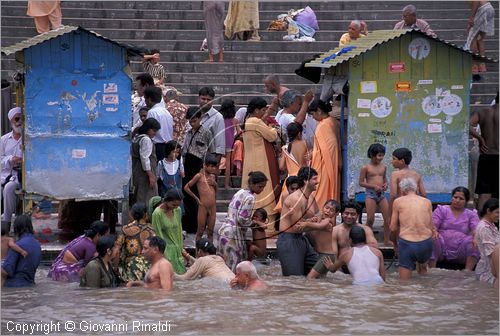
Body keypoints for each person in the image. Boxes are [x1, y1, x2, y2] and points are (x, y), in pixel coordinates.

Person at [278, 167, 331, 276]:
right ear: (306, 181)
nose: (318, 181)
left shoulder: (307, 197)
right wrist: (321, 226)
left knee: (319, 271)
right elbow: (298, 226)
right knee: (294, 280)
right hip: (289, 240)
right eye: (315, 179)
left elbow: (313, 216)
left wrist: (311, 221)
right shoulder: (296, 199)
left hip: (301, 239)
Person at [241, 97, 280, 233]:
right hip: (261, 160)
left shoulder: (247, 121)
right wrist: (273, 128)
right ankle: (267, 226)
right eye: (263, 110)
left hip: (250, 161)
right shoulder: (256, 122)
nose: (264, 113)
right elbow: (272, 136)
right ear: (256, 110)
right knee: (265, 189)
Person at [218, 171, 267, 272]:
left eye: (263, 187)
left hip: (224, 231)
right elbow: (242, 220)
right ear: (252, 184)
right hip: (233, 235)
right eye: (260, 187)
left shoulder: (240, 192)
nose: (262, 190)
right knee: (234, 269)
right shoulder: (250, 198)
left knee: (224, 268)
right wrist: (256, 223)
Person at [390, 178, 437, 280]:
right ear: (416, 189)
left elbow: (393, 228)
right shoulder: (427, 202)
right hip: (426, 242)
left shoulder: (398, 201)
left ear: (402, 190)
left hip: (407, 243)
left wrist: (394, 244)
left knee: (404, 284)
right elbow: (431, 227)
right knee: (424, 278)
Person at [182, 105, 216, 233]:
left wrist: (207, 170)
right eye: (190, 121)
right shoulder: (188, 132)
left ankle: (199, 224)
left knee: (199, 194)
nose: (192, 123)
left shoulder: (206, 132)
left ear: (200, 118)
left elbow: (211, 151)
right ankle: (188, 224)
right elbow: (185, 149)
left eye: (194, 121)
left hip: (199, 165)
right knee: (187, 194)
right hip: (187, 164)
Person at [429, 187, 480, 271]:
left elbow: (476, 228)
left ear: (466, 201)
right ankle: (432, 269)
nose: (457, 200)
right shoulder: (442, 210)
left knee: (475, 241)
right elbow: (433, 224)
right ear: (452, 198)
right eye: (455, 197)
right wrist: (434, 231)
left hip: (461, 249)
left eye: (461, 198)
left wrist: (475, 237)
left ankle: (467, 271)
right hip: (442, 247)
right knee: (432, 237)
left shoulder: (471, 214)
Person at [112, 203, 156, 282]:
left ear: (132, 214)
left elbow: (117, 251)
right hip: (149, 265)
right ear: (145, 214)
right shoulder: (152, 230)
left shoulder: (125, 229)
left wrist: (115, 268)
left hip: (132, 266)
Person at [469, 93, 498, 211]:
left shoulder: (482, 111)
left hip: (486, 156)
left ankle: (482, 223)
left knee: (484, 193)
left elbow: (468, 125)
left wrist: (480, 138)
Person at [310, 99, 342, 204]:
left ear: (319, 111)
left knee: (320, 192)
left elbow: (327, 150)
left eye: (313, 114)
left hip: (324, 166)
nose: (313, 117)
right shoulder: (332, 121)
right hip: (332, 162)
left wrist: (312, 155)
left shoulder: (323, 125)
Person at [359, 143, 391, 245]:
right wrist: (373, 186)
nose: (381, 158)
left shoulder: (384, 167)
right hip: (370, 194)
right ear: (372, 155)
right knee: (370, 219)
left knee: (387, 219)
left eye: (382, 155)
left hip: (381, 194)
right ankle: (367, 239)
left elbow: (384, 178)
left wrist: (386, 184)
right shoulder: (366, 167)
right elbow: (361, 182)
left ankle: (387, 240)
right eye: (379, 155)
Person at [275, 122, 309, 213]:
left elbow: (281, 167)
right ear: (299, 133)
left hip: (290, 180)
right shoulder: (305, 144)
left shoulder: (285, 148)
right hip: (304, 177)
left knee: (287, 207)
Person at [184, 154, 218, 242]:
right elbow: (186, 187)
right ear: (205, 165)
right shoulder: (199, 176)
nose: (213, 169)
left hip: (213, 207)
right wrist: (196, 199)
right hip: (203, 206)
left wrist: (215, 184)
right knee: (200, 231)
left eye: (214, 167)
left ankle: (210, 252)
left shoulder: (213, 177)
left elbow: (216, 192)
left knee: (210, 232)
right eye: (211, 166)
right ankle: (197, 252)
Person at [152, 188, 186, 274]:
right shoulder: (157, 214)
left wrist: (181, 248)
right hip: (166, 250)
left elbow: (179, 229)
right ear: (166, 200)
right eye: (173, 205)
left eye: (177, 205)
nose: (175, 207)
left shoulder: (177, 210)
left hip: (177, 249)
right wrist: (163, 254)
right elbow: (158, 235)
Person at [1, 215, 41, 287]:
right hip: (30, 285)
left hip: (13, 286)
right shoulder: (37, 244)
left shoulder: (18, 245)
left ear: (16, 228)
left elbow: (7, 271)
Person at [306, 200, 341, 279]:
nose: (328, 211)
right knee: (321, 279)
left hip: (327, 256)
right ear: (323, 207)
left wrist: (309, 222)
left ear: (336, 213)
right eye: (326, 208)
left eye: (331, 210)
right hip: (320, 254)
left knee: (310, 277)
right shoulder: (319, 219)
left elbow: (319, 226)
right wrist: (312, 219)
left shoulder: (329, 223)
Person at [1, 107, 23, 227]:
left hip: (20, 177)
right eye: (17, 119)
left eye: (21, 118)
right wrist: (10, 159)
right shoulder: (4, 140)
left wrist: (22, 161)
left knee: (9, 188)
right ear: (11, 122)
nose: (20, 122)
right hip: (5, 175)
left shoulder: (28, 138)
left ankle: (7, 223)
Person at [131, 118, 160, 205]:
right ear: (148, 128)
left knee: (139, 194)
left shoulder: (137, 138)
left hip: (137, 170)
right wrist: (150, 175)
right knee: (146, 197)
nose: (155, 133)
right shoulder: (146, 140)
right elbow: (144, 158)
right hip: (145, 173)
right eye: (153, 130)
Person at [389, 147, 426, 212]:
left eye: (394, 159)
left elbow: (393, 195)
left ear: (402, 161)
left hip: (401, 207)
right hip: (414, 206)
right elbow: (423, 194)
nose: (392, 161)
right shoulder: (416, 175)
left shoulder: (395, 174)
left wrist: (390, 213)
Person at [144, 86, 174, 161]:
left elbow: (149, 131)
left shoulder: (152, 112)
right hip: (168, 145)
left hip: (158, 146)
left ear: (149, 99)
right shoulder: (166, 112)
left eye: (145, 99)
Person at [475, 198, 499, 288]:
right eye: (497, 212)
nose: (499, 215)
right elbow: (491, 253)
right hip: (488, 271)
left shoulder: (492, 225)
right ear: (488, 211)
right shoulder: (484, 228)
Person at [197, 87, 226, 160]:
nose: (206, 101)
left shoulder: (218, 118)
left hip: (208, 159)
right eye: (203, 99)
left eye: (208, 100)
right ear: (198, 98)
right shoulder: (193, 113)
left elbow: (220, 145)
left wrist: (216, 164)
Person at [465, 1, 495, 72]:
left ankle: (474, 65)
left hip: (483, 9)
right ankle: (482, 65)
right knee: (480, 39)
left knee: (473, 39)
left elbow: (476, 1)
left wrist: (471, 17)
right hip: (489, 8)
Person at [220, 99, 240, 189]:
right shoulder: (234, 120)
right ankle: (226, 184)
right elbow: (239, 132)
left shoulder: (220, 118)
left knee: (217, 162)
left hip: (219, 142)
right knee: (228, 163)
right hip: (229, 142)